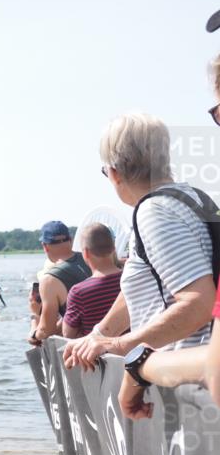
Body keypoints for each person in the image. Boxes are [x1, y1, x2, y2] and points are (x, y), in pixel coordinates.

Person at [63, 113, 216, 374]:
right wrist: (98, 335)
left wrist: (120, 345)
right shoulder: (193, 198)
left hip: (183, 379)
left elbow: (199, 304)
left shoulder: (155, 212)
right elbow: (139, 285)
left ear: (115, 173)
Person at [28, 221, 91, 346]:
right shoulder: (90, 258)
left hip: (82, 347)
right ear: (71, 240)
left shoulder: (49, 280)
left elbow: (46, 331)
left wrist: (35, 317)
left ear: (45, 246)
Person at [62, 223, 123, 339]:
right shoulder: (131, 279)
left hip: (99, 349)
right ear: (113, 248)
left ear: (85, 253)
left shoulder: (79, 292)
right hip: (135, 349)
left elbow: (67, 334)